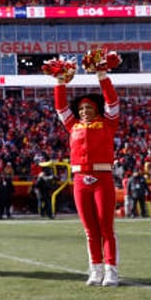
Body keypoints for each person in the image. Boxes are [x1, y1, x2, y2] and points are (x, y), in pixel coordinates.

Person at [48, 49, 121, 286]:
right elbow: (60, 108)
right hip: (81, 179)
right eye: (81, 109)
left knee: (105, 228)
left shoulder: (108, 123)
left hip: (102, 178)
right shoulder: (73, 125)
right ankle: (95, 269)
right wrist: (60, 81)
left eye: (88, 108)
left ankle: (111, 271)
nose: (84, 112)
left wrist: (102, 75)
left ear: (96, 110)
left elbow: (112, 100)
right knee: (90, 231)